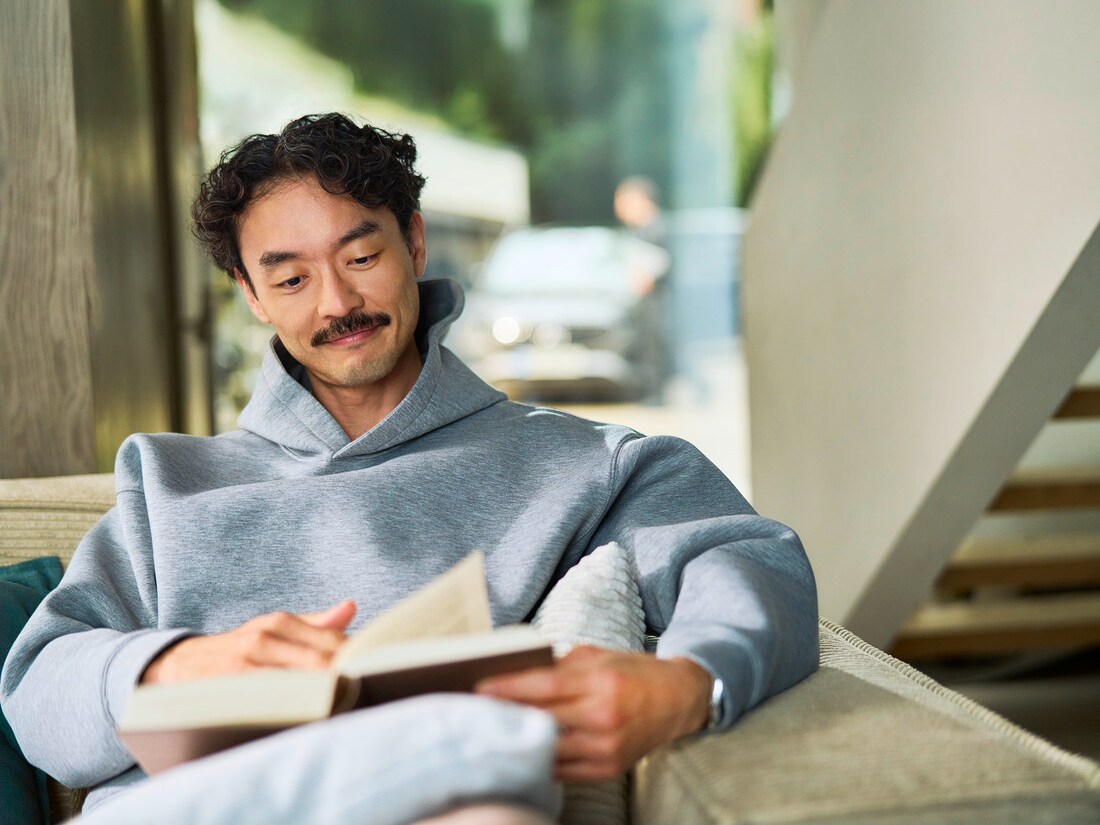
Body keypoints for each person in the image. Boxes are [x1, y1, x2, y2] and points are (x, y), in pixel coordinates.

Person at [1, 114, 818, 823]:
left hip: (443, 796)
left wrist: (689, 685)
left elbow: (753, 560)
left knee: (489, 789)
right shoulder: (167, 481)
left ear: (414, 241)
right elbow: (38, 692)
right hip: (210, 802)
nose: (335, 304)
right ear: (250, 294)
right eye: (290, 278)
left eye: (360, 256)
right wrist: (174, 664)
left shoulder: (586, 463)